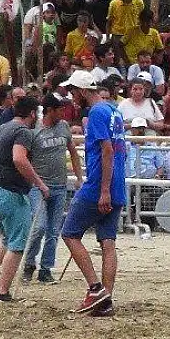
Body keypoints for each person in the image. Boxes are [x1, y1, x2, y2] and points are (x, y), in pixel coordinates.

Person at [60, 70, 127, 317]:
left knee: (69, 233)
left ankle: (95, 288)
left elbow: (107, 150)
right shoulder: (113, 110)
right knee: (108, 241)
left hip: (100, 183)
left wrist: (104, 190)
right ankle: (106, 298)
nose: (71, 96)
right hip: (117, 182)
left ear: (81, 90)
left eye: (72, 91)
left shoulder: (96, 112)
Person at [0, 97, 48, 303]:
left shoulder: (1, 129)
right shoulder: (24, 132)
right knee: (18, 242)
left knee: (8, 238)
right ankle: (2, 291)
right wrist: (39, 184)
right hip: (9, 192)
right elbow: (19, 158)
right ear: (32, 114)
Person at [23, 94, 82, 285]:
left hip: (59, 185)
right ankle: (29, 262)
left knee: (53, 230)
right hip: (38, 186)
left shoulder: (63, 127)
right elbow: (26, 157)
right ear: (50, 110)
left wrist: (79, 177)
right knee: (39, 227)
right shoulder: (34, 131)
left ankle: (45, 269)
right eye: (59, 109)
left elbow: (72, 151)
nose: (62, 113)